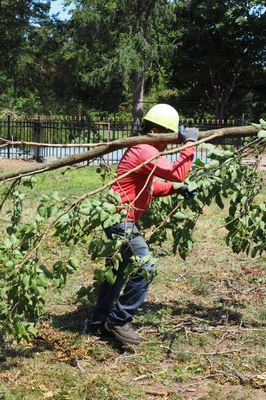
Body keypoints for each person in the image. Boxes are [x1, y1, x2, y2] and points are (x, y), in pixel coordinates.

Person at [84, 104, 199, 345]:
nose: (167, 146)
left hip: (116, 218)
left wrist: (175, 189)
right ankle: (118, 320)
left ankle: (98, 324)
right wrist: (190, 145)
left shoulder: (142, 151)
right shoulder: (145, 149)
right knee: (145, 265)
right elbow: (177, 172)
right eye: (167, 139)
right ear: (156, 131)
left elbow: (151, 187)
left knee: (114, 274)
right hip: (120, 221)